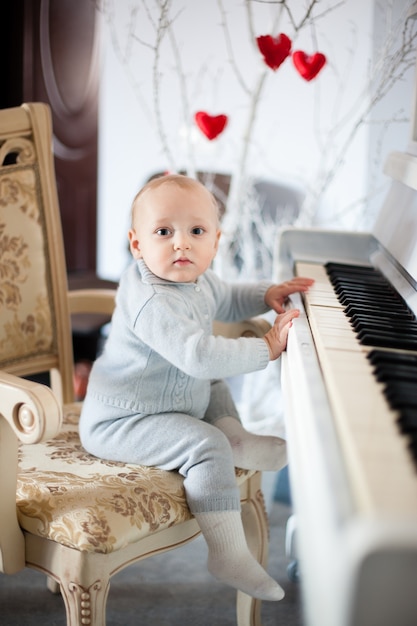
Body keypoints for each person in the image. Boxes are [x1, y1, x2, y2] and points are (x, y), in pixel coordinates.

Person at [79, 174, 313, 601]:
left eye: (196, 232)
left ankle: (237, 440)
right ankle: (226, 552)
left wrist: (268, 293)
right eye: (164, 232)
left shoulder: (195, 278)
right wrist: (266, 347)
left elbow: (225, 297)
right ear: (137, 244)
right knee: (204, 443)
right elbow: (197, 356)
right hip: (124, 419)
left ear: (215, 241)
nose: (181, 244)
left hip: (171, 401)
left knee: (215, 387)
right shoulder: (153, 299)